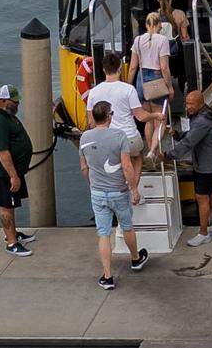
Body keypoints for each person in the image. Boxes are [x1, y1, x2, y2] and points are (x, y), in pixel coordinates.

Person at [80, 101, 149, 289]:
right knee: (126, 226)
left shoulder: (84, 137)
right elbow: (127, 166)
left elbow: (84, 168)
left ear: (94, 117)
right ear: (109, 116)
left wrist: (92, 185)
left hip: (98, 192)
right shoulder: (120, 136)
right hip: (118, 191)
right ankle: (135, 258)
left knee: (104, 233)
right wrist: (134, 189)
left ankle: (107, 276)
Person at [85, 51, 165, 184]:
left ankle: (120, 185)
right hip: (129, 139)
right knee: (138, 157)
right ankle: (133, 188)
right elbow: (141, 117)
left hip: (106, 140)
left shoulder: (93, 92)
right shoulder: (128, 89)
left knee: (115, 161)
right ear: (120, 68)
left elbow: (91, 122)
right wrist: (156, 115)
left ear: (104, 70)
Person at [162, 91, 212, 247]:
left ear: (201, 103)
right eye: (186, 103)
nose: (187, 107)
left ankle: (203, 233)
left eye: (191, 104)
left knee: (201, 198)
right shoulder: (204, 116)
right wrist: (178, 135)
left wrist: (168, 155)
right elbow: (192, 135)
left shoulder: (202, 120)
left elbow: (189, 143)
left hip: (206, 167)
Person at [0, 84, 36, 257]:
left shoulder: (7, 114)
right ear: (4, 100)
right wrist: (13, 176)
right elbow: (2, 152)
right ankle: (11, 242)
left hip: (13, 170)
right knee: (6, 205)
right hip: (4, 172)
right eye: (15, 102)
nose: (18, 104)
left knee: (12, 203)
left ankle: (13, 233)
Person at [128, 12, 174, 158]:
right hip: (157, 80)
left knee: (148, 119)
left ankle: (150, 151)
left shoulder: (137, 40)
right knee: (160, 119)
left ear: (146, 25)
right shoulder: (163, 40)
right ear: (160, 24)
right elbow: (164, 67)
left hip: (141, 81)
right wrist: (170, 87)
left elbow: (133, 67)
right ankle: (153, 151)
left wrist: (129, 86)